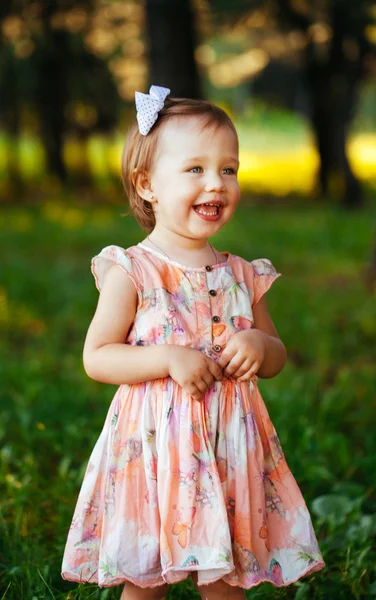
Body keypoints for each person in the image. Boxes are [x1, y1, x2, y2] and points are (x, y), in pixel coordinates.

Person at [61, 85, 325, 600]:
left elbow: (275, 356)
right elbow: (97, 357)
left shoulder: (243, 275)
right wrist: (165, 358)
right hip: (155, 451)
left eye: (229, 169)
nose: (217, 183)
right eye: (196, 169)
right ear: (147, 184)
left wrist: (257, 343)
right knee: (146, 580)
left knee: (227, 578)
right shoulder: (132, 270)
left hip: (230, 445)